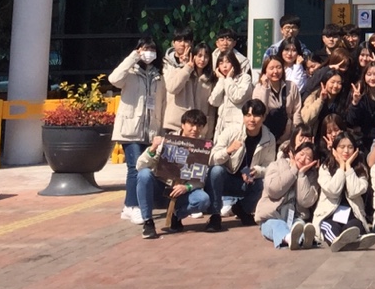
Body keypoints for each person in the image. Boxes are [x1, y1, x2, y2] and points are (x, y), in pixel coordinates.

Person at [110, 38, 166, 226]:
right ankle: (135, 207)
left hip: (150, 130)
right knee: (135, 168)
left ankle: (128, 205)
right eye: (144, 49)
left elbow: (161, 103)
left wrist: (160, 130)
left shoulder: (158, 75)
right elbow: (114, 79)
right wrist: (134, 56)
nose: (148, 52)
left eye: (152, 49)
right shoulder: (130, 72)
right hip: (130, 129)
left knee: (142, 168)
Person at [135, 108, 214, 239]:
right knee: (144, 174)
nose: (195, 129)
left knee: (203, 200)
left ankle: (176, 215)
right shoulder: (168, 140)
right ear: (183, 125)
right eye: (191, 125)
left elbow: (202, 176)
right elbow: (140, 166)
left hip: (183, 192)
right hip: (161, 188)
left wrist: (187, 187)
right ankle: (148, 222)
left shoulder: (203, 147)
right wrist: (153, 148)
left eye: (199, 126)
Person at [206, 97, 276, 230]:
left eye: (256, 115)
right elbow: (212, 159)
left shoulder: (269, 138)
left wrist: (256, 171)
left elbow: (270, 167)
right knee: (216, 171)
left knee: (266, 182)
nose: (252, 119)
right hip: (226, 178)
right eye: (248, 115)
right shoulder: (231, 131)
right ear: (243, 117)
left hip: (247, 182)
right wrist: (228, 151)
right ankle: (215, 216)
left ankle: (242, 209)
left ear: (263, 117)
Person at [313, 131, 375, 251]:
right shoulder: (325, 168)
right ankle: (339, 242)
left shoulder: (361, 169)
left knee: (356, 226)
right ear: (334, 149)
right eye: (342, 147)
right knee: (328, 227)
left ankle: (349, 241)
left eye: (350, 147)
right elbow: (333, 191)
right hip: (329, 214)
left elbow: (354, 191)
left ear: (355, 150)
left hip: (352, 214)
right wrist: (341, 168)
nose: (346, 151)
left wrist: (348, 168)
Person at [257, 139, 321, 249]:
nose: (303, 159)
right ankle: (289, 238)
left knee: (300, 225)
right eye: (301, 154)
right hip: (271, 218)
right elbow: (273, 190)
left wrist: (301, 175)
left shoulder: (312, 176)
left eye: (308, 158)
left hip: (294, 218)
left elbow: (305, 201)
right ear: (295, 153)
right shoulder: (277, 165)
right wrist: (293, 170)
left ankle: (303, 240)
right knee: (278, 225)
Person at [162, 32, 211, 136]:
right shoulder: (177, 68)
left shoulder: (208, 77)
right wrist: (186, 67)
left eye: (206, 56)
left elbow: (210, 108)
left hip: (198, 130)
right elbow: (172, 88)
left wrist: (207, 132)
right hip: (176, 126)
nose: (202, 60)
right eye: (199, 56)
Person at [252, 54, 302, 144]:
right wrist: (265, 88)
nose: (275, 71)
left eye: (279, 67)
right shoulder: (259, 88)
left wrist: (296, 133)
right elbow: (260, 112)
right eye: (271, 68)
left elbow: (297, 111)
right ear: (265, 71)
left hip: (287, 136)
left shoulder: (291, 86)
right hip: (266, 136)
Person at [297, 68, 350, 141]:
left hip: (335, 138)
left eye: (339, 83)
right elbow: (306, 119)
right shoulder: (314, 96)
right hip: (316, 137)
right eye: (332, 82)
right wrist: (320, 100)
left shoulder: (343, 99)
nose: (335, 86)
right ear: (325, 83)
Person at [209, 50, 253, 136]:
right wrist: (221, 80)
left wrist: (229, 79)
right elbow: (214, 101)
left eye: (228, 62)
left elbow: (237, 97)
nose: (224, 66)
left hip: (238, 126)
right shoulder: (222, 80)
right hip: (222, 128)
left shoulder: (245, 78)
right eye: (221, 63)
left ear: (234, 63)